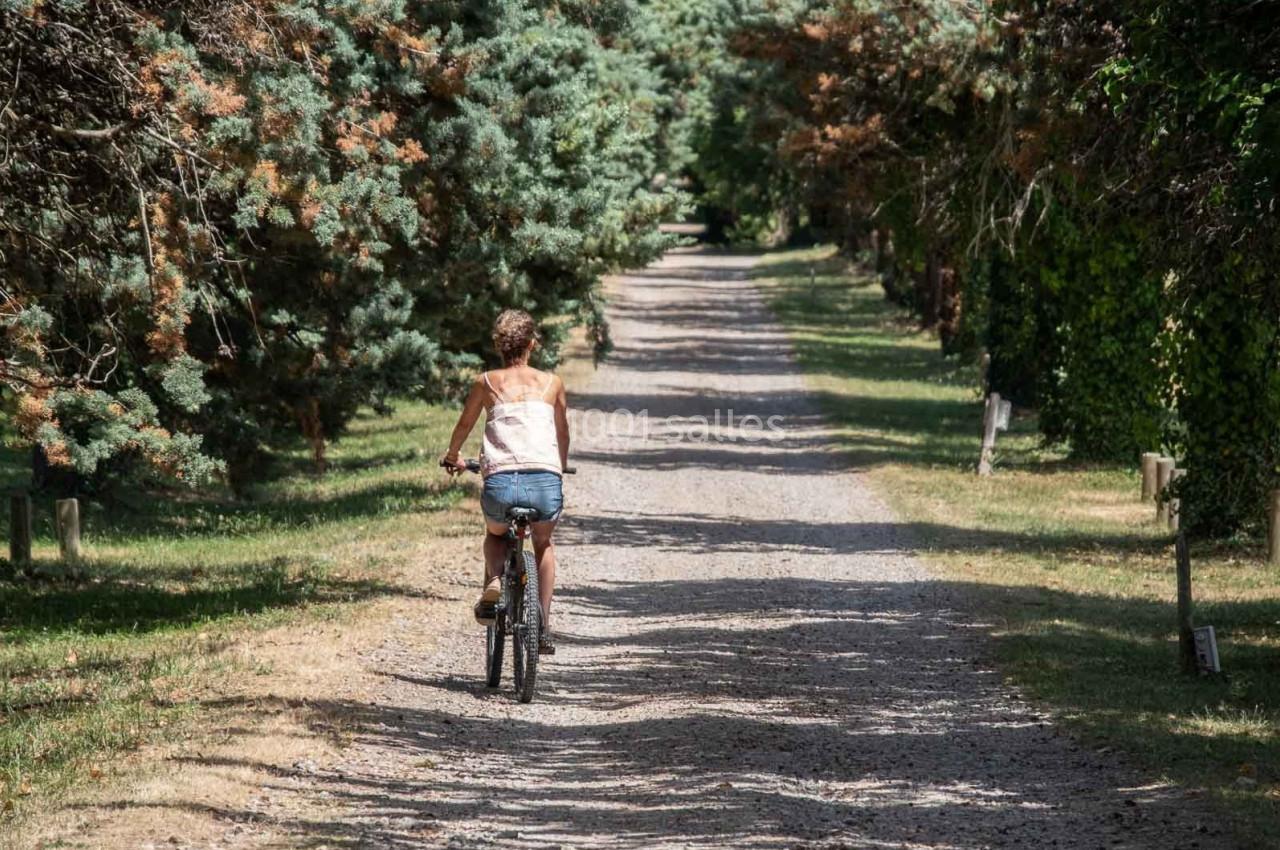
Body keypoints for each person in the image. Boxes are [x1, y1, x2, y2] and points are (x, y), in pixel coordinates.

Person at [441, 309, 570, 653]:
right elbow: (562, 431)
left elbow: (464, 425)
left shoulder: (485, 383)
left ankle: (495, 579)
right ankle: (542, 625)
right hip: (544, 481)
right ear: (531, 344)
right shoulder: (552, 383)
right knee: (543, 544)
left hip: (501, 483)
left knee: (496, 533)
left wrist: (453, 454)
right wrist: (561, 465)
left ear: (499, 347)